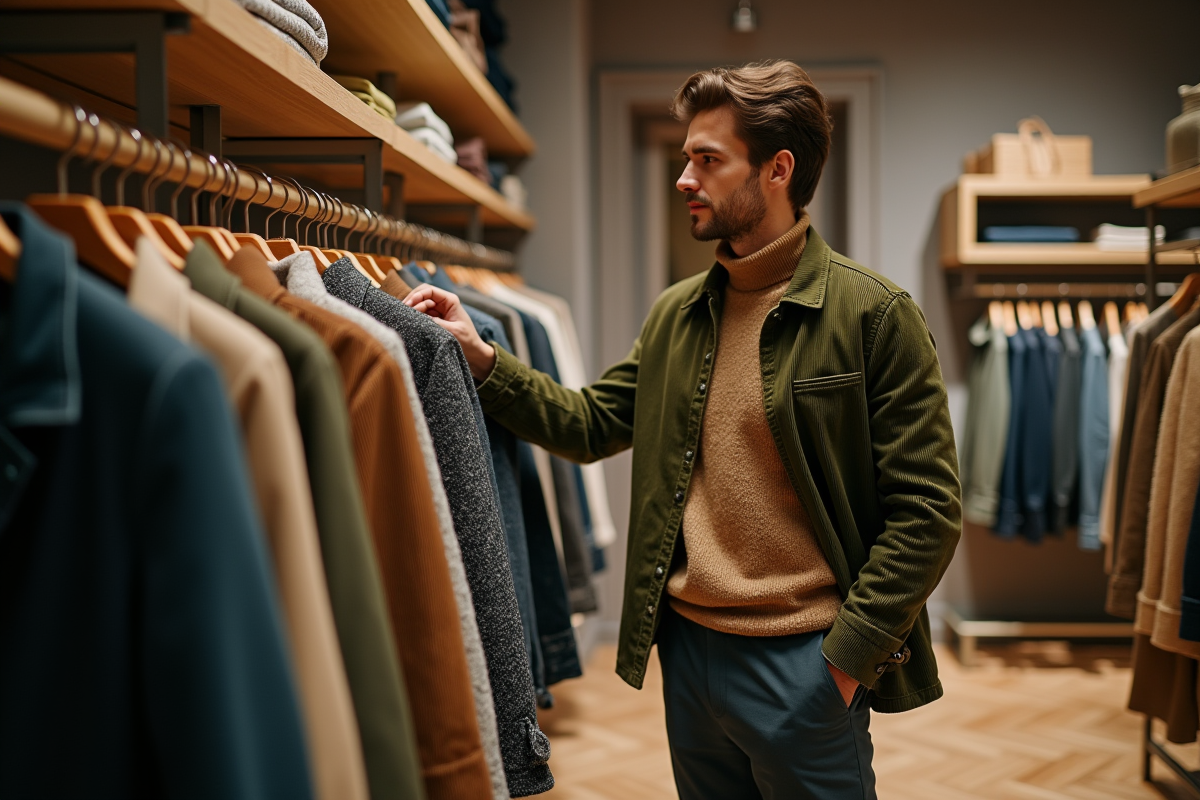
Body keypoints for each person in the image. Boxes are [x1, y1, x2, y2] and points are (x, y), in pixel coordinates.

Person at [404, 59, 961, 800]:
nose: (684, 178)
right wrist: (484, 360)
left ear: (778, 170)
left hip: (804, 658)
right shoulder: (678, 313)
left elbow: (928, 511)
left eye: (708, 159)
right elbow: (590, 423)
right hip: (690, 654)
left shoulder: (875, 314)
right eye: (684, 157)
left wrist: (844, 660)